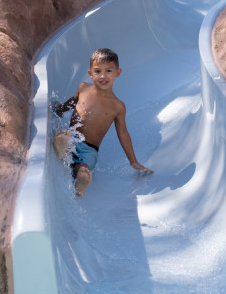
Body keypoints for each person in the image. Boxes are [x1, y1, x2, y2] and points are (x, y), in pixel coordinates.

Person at [53, 48, 153, 196]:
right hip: (73, 135)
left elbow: (123, 133)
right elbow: (72, 103)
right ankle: (64, 146)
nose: (103, 76)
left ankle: (81, 179)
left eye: (108, 71)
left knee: (84, 166)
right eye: (98, 71)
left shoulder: (118, 106)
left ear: (118, 73)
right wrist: (60, 109)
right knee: (68, 138)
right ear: (90, 73)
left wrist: (133, 161)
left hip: (90, 149)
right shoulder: (83, 88)